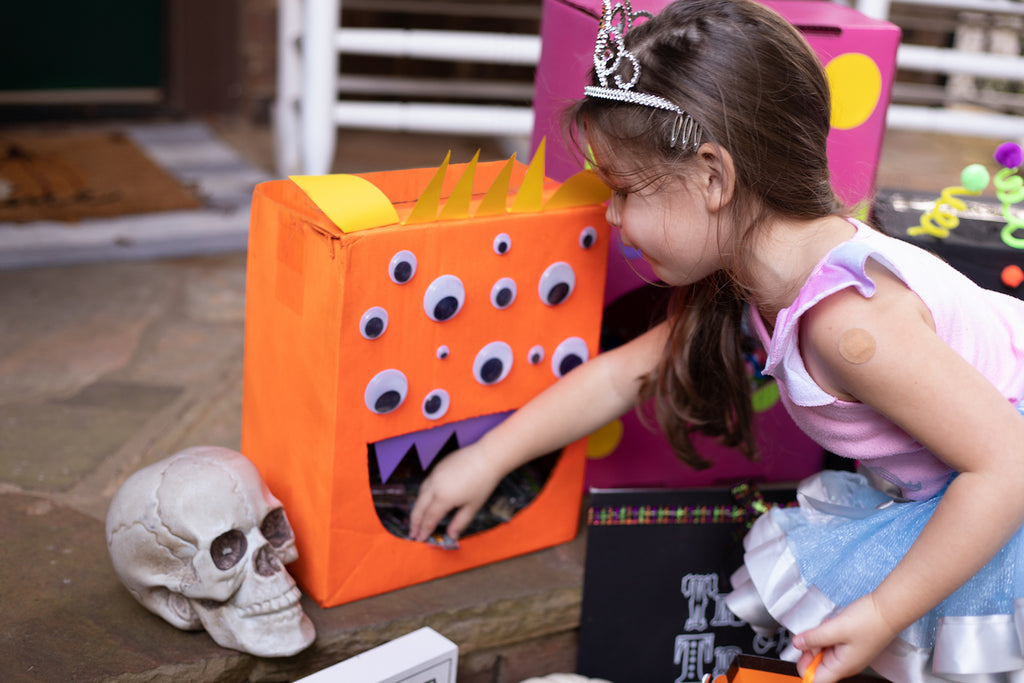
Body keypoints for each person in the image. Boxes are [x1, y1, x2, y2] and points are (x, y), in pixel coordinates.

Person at [409, 0, 1024, 680]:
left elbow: (1005, 466)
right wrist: (488, 457)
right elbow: (623, 375)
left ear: (712, 176)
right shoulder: (754, 270)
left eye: (624, 188)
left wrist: (883, 609)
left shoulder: (853, 325)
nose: (611, 215)